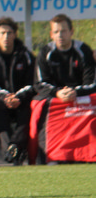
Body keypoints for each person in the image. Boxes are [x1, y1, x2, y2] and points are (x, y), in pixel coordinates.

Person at [33, 13, 96, 164]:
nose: (60, 35)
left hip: (79, 96)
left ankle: (88, 154)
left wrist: (75, 92)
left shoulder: (83, 50)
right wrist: (58, 93)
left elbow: (91, 83)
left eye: (63, 31)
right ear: (51, 34)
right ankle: (49, 157)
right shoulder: (45, 53)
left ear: (71, 32)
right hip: (55, 98)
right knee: (39, 106)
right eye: (56, 32)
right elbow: (40, 83)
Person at [0, 17, 35, 165]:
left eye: (9, 33)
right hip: (0, 101)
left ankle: (15, 146)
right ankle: (10, 151)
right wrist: (5, 97)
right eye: (2, 33)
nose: (6, 37)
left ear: (15, 34)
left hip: (21, 100)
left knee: (28, 111)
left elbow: (33, 81)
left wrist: (18, 97)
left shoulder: (27, 57)